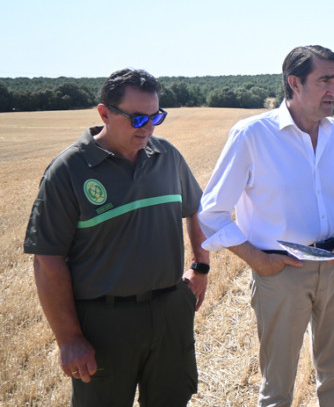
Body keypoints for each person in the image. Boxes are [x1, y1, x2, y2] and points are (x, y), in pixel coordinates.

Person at [24, 68, 209, 407]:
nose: (148, 129)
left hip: (170, 312)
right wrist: (69, 338)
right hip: (104, 324)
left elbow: (196, 209)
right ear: (104, 113)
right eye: (137, 119)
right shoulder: (68, 171)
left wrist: (201, 266)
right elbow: (47, 259)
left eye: (156, 117)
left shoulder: (167, 157)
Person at [198, 45, 334, 407]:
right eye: (325, 80)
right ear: (294, 82)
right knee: (278, 386)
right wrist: (257, 259)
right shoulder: (252, 135)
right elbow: (212, 211)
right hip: (280, 272)